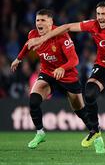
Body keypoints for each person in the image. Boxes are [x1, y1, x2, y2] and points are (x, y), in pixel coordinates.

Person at [27, 1, 105, 154]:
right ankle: (95, 131)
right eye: (98, 14)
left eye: (103, 14)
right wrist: (42, 39)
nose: (100, 17)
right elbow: (67, 27)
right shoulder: (93, 25)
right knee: (90, 91)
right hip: (104, 67)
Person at [10, 9, 90, 149]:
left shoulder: (62, 35)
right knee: (33, 100)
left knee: (80, 110)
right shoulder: (33, 34)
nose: (39, 23)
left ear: (51, 22)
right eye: (37, 20)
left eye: (43, 20)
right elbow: (28, 45)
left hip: (67, 75)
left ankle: (95, 133)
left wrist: (62, 68)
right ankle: (40, 133)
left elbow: (74, 59)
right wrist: (18, 59)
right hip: (48, 73)